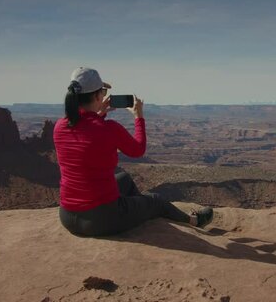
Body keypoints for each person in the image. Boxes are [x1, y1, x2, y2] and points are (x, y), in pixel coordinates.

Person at [54, 67, 213, 236]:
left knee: (124, 179)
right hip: (99, 219)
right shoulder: (109, 129)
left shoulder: (60, 126)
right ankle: (194, 221)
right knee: (156, 200)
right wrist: (139, 116)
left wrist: (98, 115)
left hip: (68, 217)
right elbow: (138, 150)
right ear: (97, 96)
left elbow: (86, 135)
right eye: (103, 90)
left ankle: (138, 210)